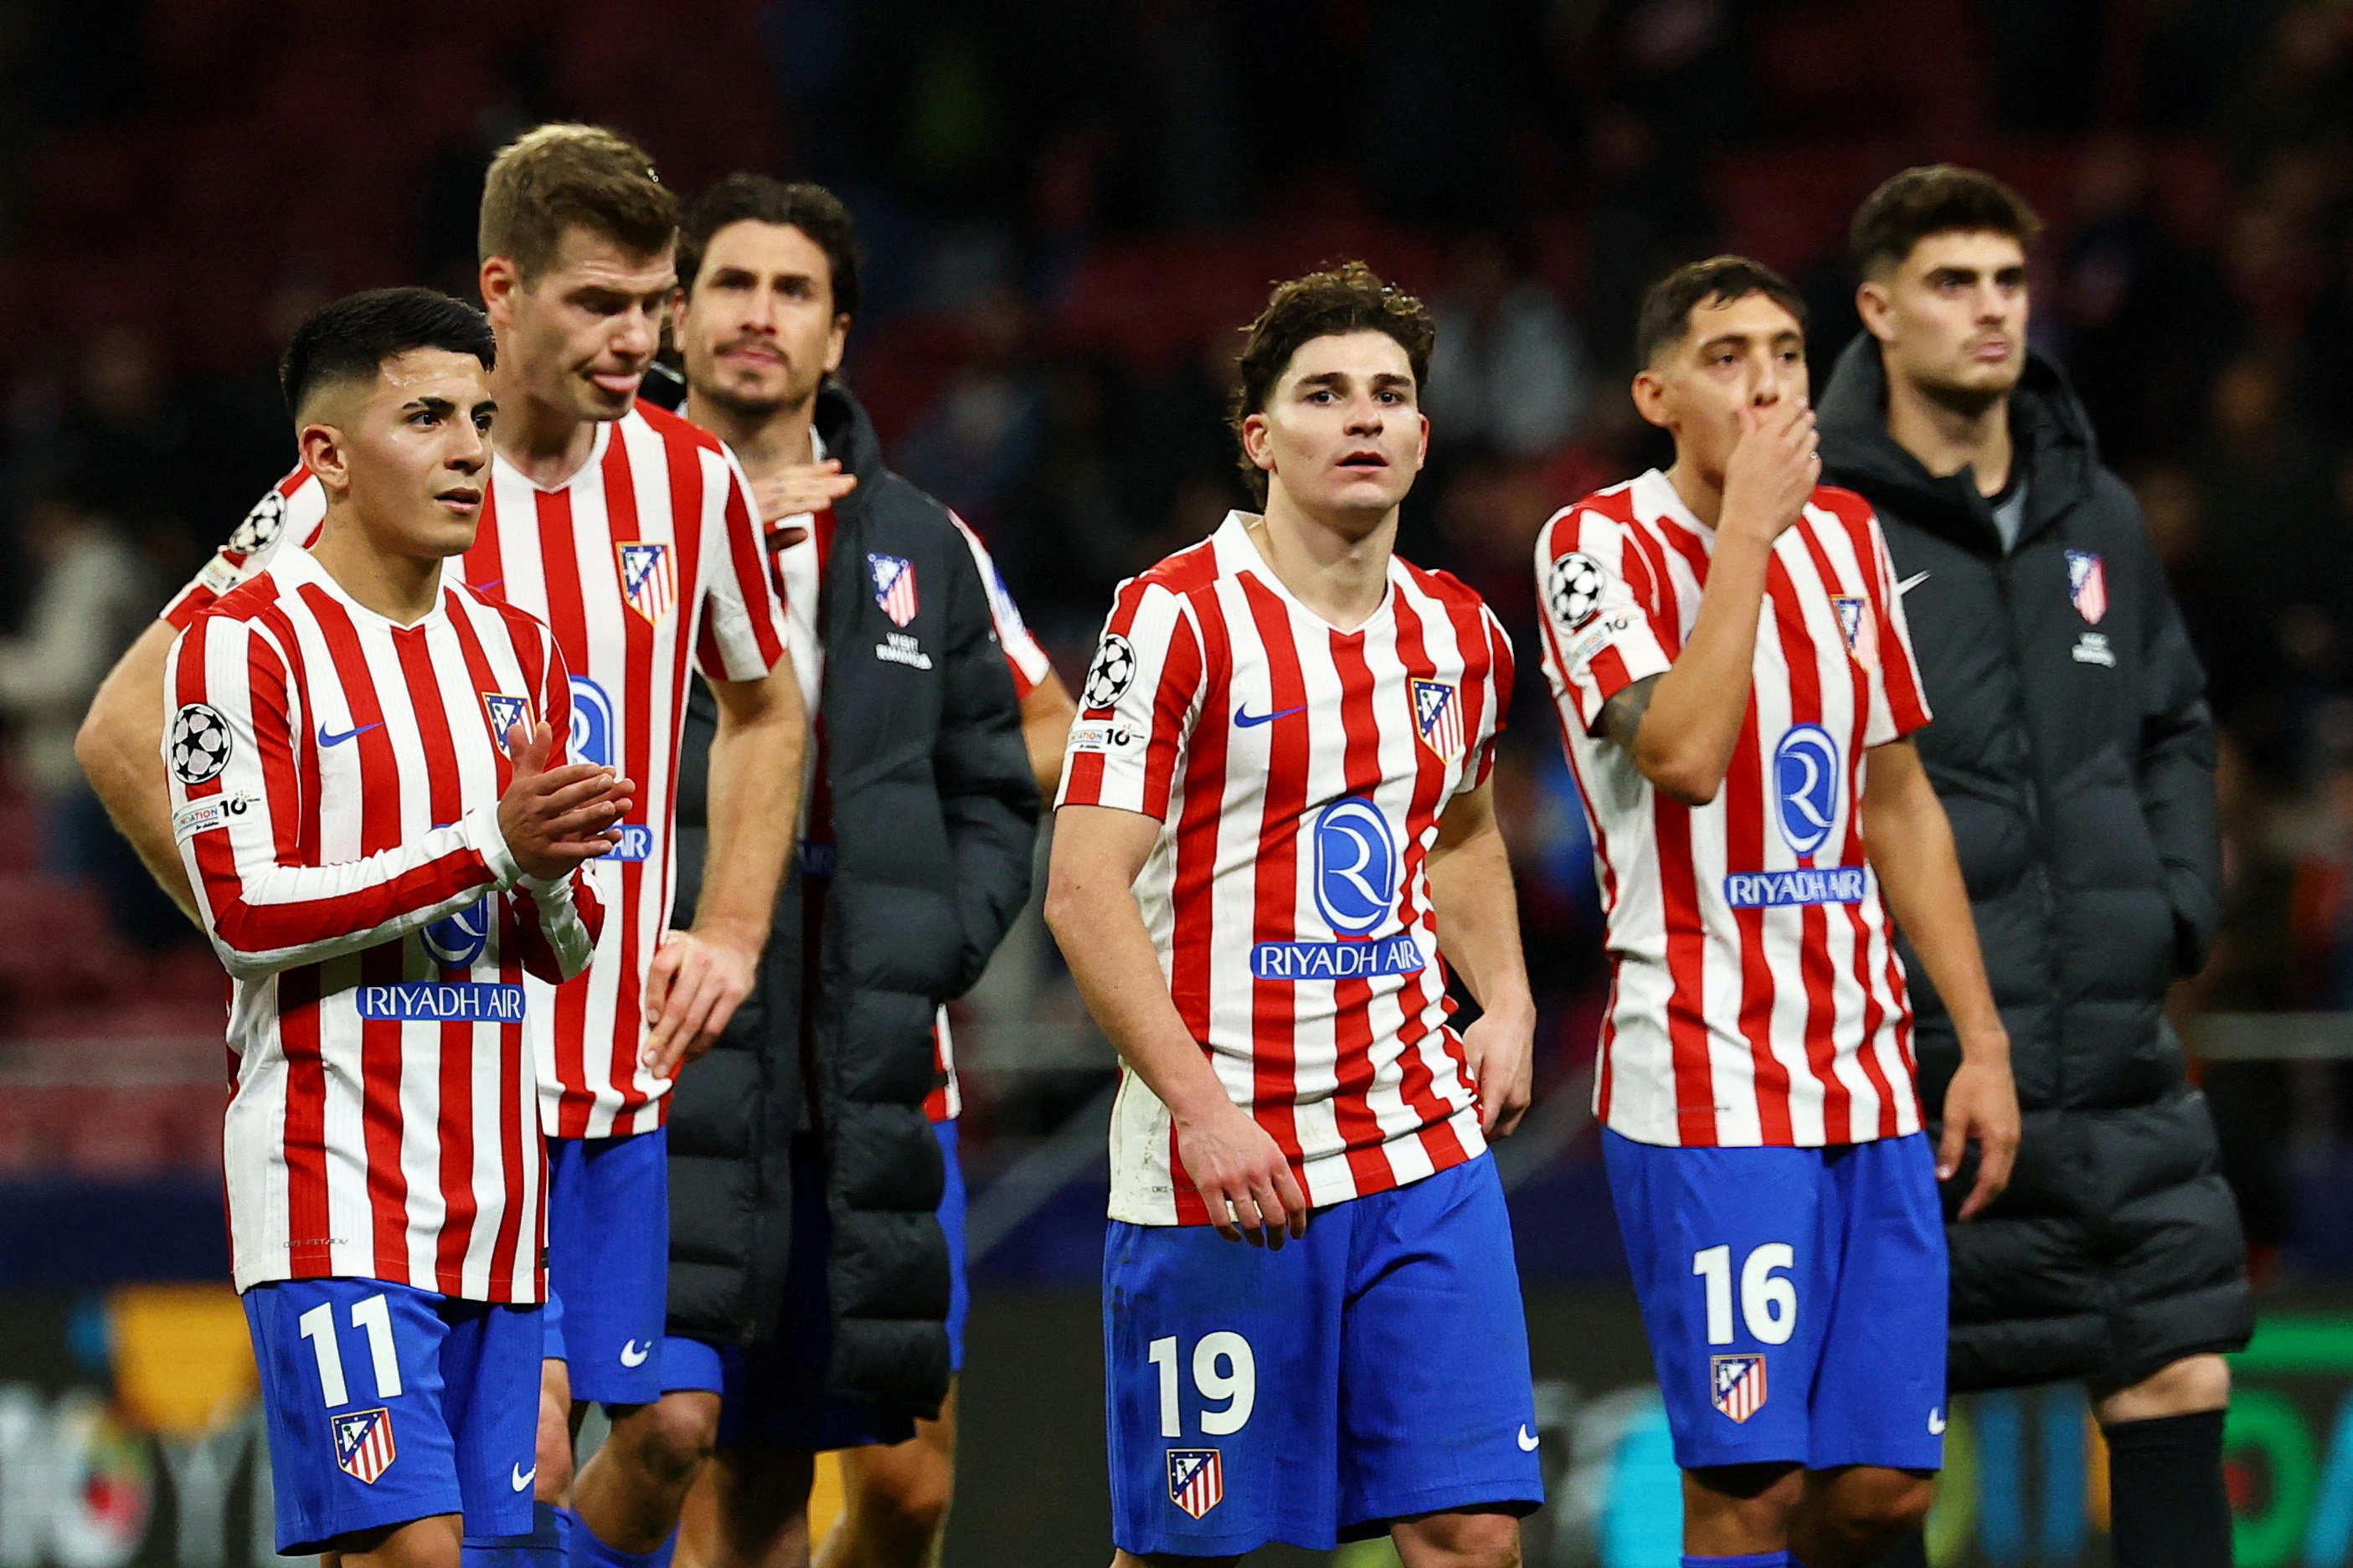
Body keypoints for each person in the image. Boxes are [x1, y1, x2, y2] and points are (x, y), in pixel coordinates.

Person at [74, 126, 805, 1568]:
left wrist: (726, 929)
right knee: (476, 1508)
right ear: (504, 290)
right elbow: (119, 730)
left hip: (608, 1062)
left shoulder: (690, 482)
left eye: (658, 304)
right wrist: (282, 943)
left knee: (659, 1440)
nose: (643, 339)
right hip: (404, 1094)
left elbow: (766, 709)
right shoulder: (335, 497)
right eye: (603, 302)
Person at [1048, 262, 1542, 1566]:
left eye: (1389, 395)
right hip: (1221, 1170)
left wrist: (1506, 998)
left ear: (1424, 437)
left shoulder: (1461, 635)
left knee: (1472, 1531)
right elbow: (1081, 887)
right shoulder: (1173, 617)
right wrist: (1205, 1115)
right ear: (1259, 437)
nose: (1364, 417)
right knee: (1201, 1553)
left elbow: (1463, 828)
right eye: (1324, 394)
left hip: (1417, 1149)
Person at [1533, 255, 2021, 1568]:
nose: (1768, 383)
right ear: (1656, 395)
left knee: (1883, 1491)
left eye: (1787, 354)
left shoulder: (1852, 539)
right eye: (1728, 357)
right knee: (1752, 1487)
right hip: (1703, 1079)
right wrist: (1744, 528)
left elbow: (1897, 798)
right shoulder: (1591, 547)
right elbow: (1681, 755)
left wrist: (1973, 1039)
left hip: (1864, 1078)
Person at [1816, 167, 2248, 1568]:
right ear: (1878, 308)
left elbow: (2174, 719)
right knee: (1875, 1469)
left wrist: (2172, 903)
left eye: (2007, 280)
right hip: (1916, 1063)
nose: (1990, 311)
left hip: (2115, 1050)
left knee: (2179, 1372)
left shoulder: (2095, 511)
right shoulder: (1820, 524)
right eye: (1952, 283)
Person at [168, 286, 619, 1568]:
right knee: (412, 1554)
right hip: (329, 1188)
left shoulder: (515, 651)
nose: (471, 448)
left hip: (494, 1198)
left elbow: (562, 952)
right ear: (325, 457)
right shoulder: (241, 646)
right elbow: (247, 913)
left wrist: (545, 879)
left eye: (480, 416)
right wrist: (491, 846)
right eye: (424, 416)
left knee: (477, 1556)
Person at [645, 175, 1052, 1568]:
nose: (759, 314)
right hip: (686, 1059)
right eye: (732, 284)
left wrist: (930, 932)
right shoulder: (600, 527)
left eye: (793, 290)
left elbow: (1037, 746)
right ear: (674, 318)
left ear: (837, 335)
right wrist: (705, 543)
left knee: (908, 1481)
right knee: (725, 1469)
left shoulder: (920, 545)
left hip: (875, 1059)